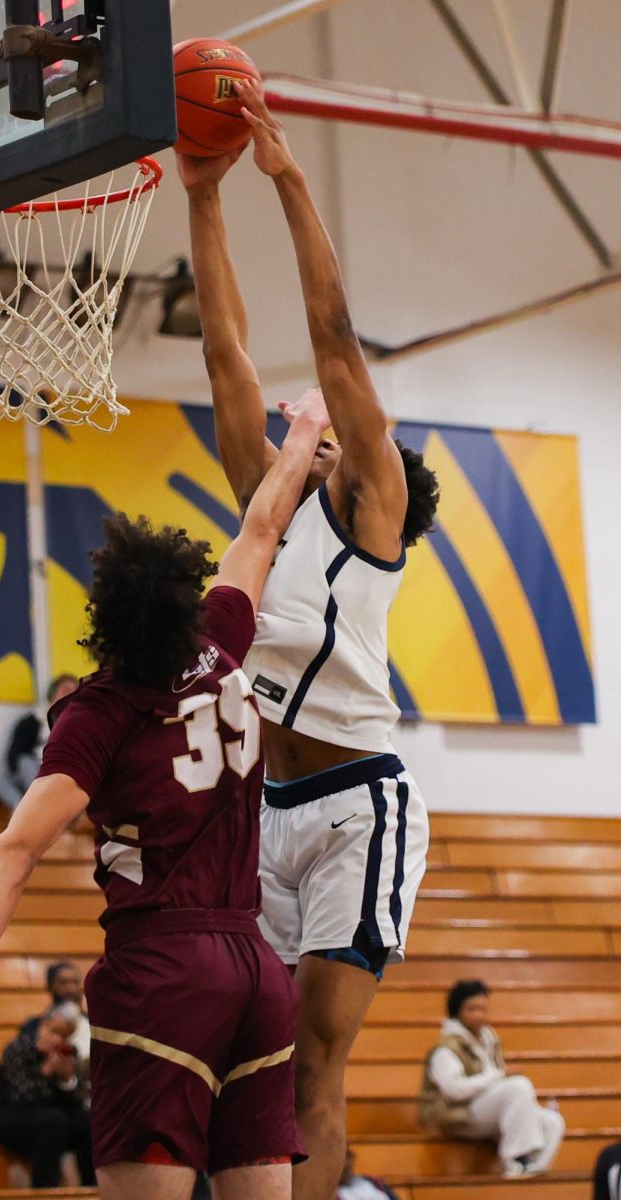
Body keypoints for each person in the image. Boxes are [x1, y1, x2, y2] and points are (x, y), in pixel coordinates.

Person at [0, 394, 332, 1200]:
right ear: (182, 598)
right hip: (256, 968)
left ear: (104, 618)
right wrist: (302, 432)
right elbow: (261, 527)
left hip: (163, 970)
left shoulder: (99, 709)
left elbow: (16, 847)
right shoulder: (221, 644)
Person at [179, 77, 440, 1200]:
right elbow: (226, 357)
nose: (318, 442)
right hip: (268, 816)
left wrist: (286, 180)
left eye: (339, 447)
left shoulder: (369, 509)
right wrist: (201, 194)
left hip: (356, 806)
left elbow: (332, 340)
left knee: (318, 1067)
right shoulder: (267, 508)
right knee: (261, 1067)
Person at [418, 980, 565, 1178]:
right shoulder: (445, 1049)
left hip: (486, 1112)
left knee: (552, 1121)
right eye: (472, 1009)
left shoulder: (489, 1039)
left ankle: (529, 1173)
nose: (478, 1015)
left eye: (483, 1009)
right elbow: (455, 1091)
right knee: (518, 1086)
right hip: (457, 1115)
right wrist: (497, 1076)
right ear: (456, 1010)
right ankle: (516, 1160)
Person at [0, 1003, 93, 1188]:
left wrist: (67, 1081)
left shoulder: (67, 1054)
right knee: (54, 1121)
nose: (57, 1040)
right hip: (4, 1117)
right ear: (42, 1026)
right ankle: (44, 1190)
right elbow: (18, 1097)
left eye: (64, 1036)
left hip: (51, 1123)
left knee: (86, 1121)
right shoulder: (19, 1048)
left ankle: (93, 1189)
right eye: (53, 1032)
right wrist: (46, 1071)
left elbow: (74, 1106)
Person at [0, 675, 78, 810]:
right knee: (3, 781)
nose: (70, 695)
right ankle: (22, 809)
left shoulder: (78, 725)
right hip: (33, 772)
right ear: (53, 693)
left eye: (75, 692)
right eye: (66, 690)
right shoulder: (31, 721)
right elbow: (14, 757)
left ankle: (39, 806)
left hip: (59, 774)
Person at [21, 962, 90, 1075]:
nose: (71, 989)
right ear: (50, 987)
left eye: (75, 982)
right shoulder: (33, 1027)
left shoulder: (93, 1025)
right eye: (63, 983)